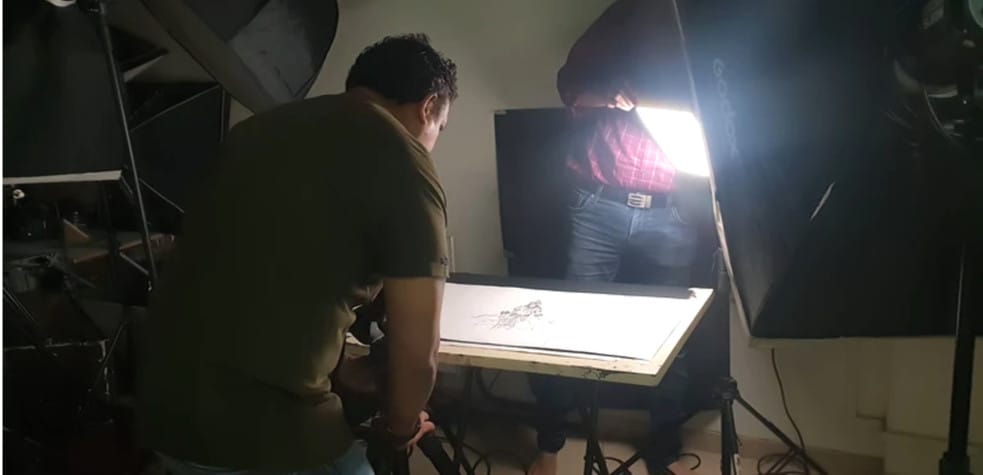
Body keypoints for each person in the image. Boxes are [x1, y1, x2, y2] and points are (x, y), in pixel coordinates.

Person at [136, 34, 458, 475]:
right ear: (429, 106)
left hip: (160, 415)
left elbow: (261, 280)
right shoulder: (405, 159)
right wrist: (400, 431)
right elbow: (418, 354)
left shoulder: (254, 131)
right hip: (266, 436)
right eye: (441, 128)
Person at [527, 1, 699, 474]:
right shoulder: (622, 19)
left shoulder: (703, 27)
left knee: (673, 339)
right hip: (598, 205)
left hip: (670, 210)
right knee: (568, 328)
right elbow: (570, 86)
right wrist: (611, 93)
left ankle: (663, 454)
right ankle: (549, 446)